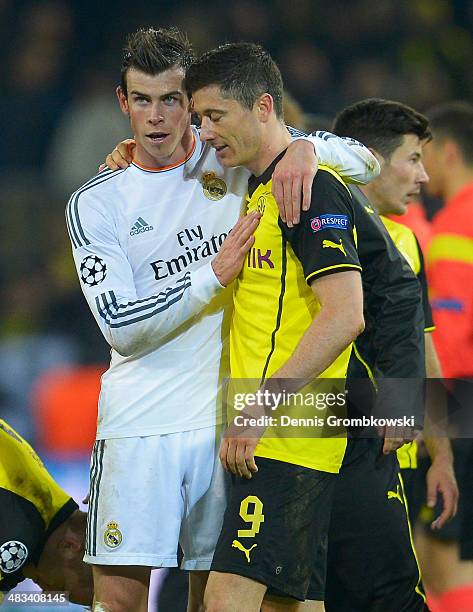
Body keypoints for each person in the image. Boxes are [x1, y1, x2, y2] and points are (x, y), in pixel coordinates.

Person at [67, 27, 380, 612]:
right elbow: (120, 326)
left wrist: (306, 150)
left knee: (215, 600)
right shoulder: (98, 200)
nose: (156, 118)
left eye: (171, 101)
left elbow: (366, 159)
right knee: (117, 602)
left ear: (192, 103)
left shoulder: (230, 162)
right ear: (122, 103)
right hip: (140, 426)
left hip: (224, 426)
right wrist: (210, 276)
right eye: (142, 100)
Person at [186, 41, 366, 611]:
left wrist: (261, 407)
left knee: (225, 603)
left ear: (263, 107)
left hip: (284, 434)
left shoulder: (307, 192)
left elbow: (346, 314)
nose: (206, 132)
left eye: (216, 115)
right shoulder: (264, 189)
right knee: (288, 606)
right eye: (199, 119)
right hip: (281, 436)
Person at [331, 98, 459, 611]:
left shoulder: (407, 241)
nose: (424, 176)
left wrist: (442, 454)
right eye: (411, 159)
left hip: (393, 459)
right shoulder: (313, 224)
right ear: (370, 160)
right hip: (325, 446)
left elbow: (424, 353)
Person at [419, 100, 473, 610]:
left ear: (451, 153)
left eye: (427, 153)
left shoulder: (456, 229)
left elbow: (450, 344)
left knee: (441, 560)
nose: (421, 165)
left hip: (460, 399)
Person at [0, 419, 93, 606]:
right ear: (70, 546)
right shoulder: (19, 537)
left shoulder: (47, 503)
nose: (46, 594)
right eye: (59, 585)